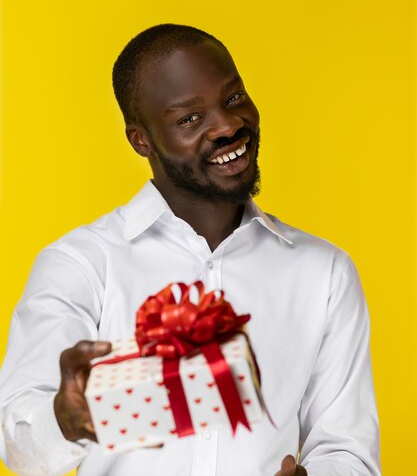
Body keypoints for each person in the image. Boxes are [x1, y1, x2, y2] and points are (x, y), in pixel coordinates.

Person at [0, 24, 380, 476]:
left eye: (234, 97)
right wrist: (66, 422)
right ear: (141, 140)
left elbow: (347, 451)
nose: (227, 126)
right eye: (189, 119)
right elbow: (20, 453)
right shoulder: (81, 265)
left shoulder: (325, 273)